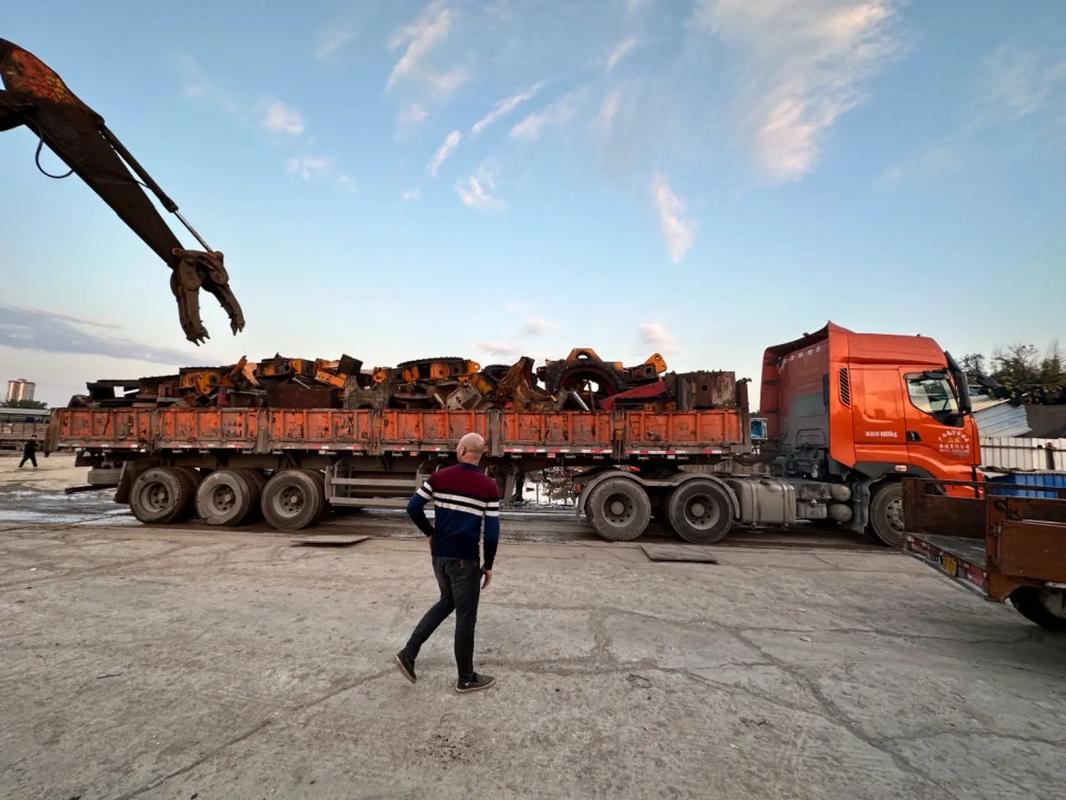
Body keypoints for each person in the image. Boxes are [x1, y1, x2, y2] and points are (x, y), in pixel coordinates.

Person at [396, 432, 500, 693]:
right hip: (465, 561)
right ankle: (466, 678)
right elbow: (491, 532)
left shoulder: (439, 477)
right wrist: (488, 565)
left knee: (447, 602)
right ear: (480, 453)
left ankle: (408, 653)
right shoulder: (488, 486)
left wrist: (430, 533)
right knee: (466, 618)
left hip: (439, 557)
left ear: (462, 450)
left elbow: (413, 507)